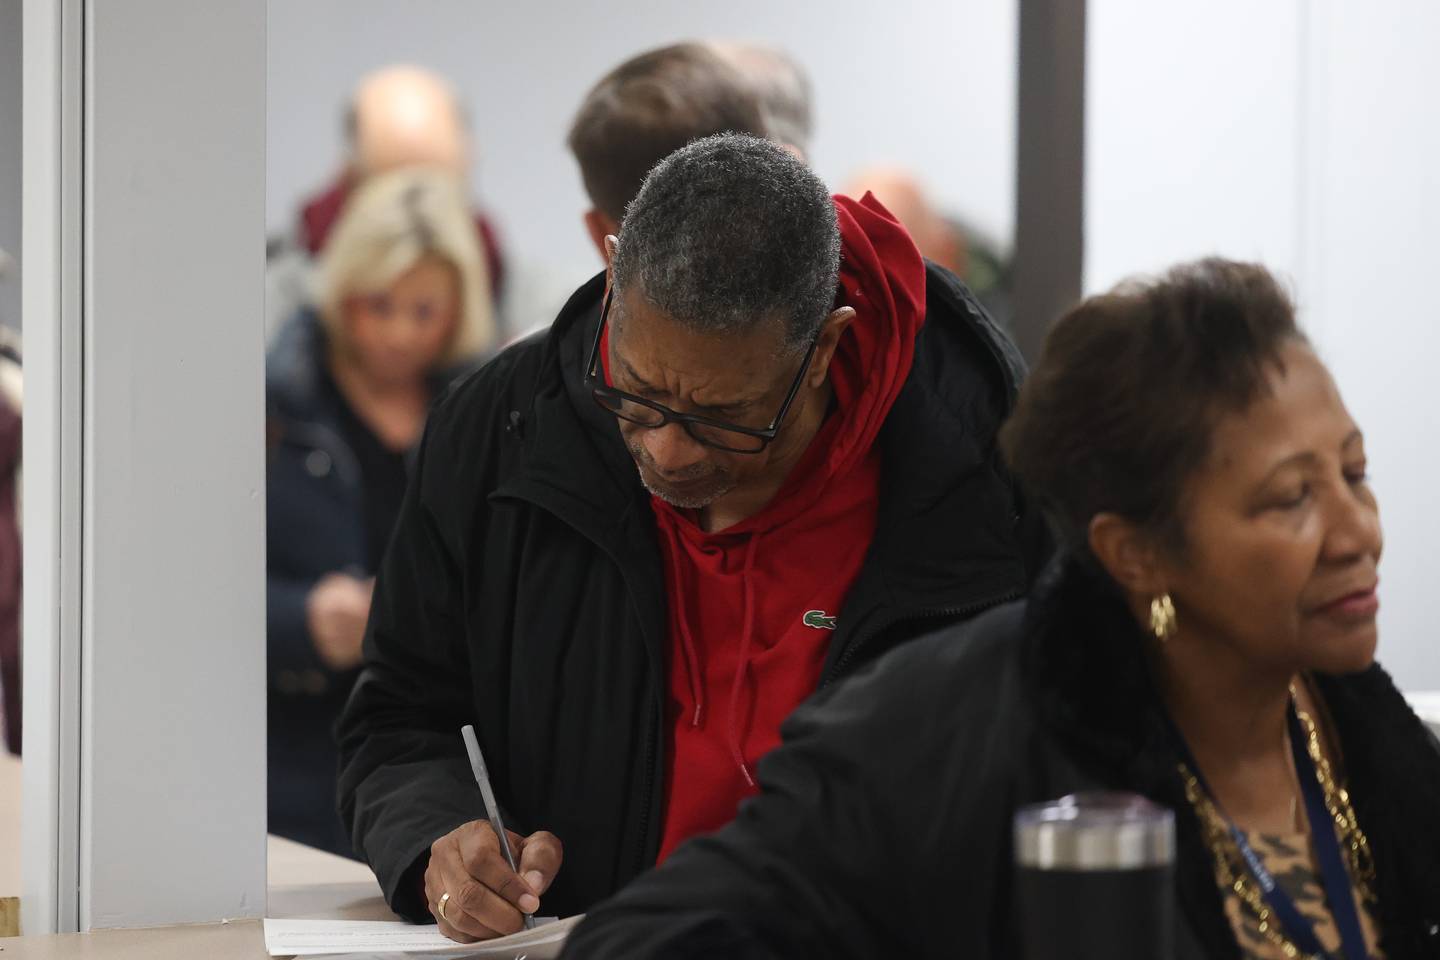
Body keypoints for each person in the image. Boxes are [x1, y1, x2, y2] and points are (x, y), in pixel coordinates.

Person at [561, 258, 1440, 959]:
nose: (1355, 531)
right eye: (1290, 498)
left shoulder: (1353, 732)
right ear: (1133, 550)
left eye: (1354, 475)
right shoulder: (958, 729)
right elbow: (641, 939)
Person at [336, 133, 1047, 942]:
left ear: (826, 348)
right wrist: (439, 837)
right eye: (635, 392)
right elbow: (398, 717)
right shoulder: (500, 431)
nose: (668, 452)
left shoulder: (987, 473)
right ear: (613, 274)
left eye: (724, 417)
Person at [266, 167, 492, 856]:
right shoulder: (275, 406)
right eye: (377, 305)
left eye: (425, 311)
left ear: (459, 308)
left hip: (435, 768)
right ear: (341, 293)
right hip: (293, 763)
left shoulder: (479, 409)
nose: (398, 333)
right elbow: (187, 590)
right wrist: (301, 619)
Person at [267, 64, 506, 343]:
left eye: (439, 191)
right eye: (391, 196)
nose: (420, 214)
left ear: (466, 168)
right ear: (349, 179)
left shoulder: (529, 307)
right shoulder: (273, 310)